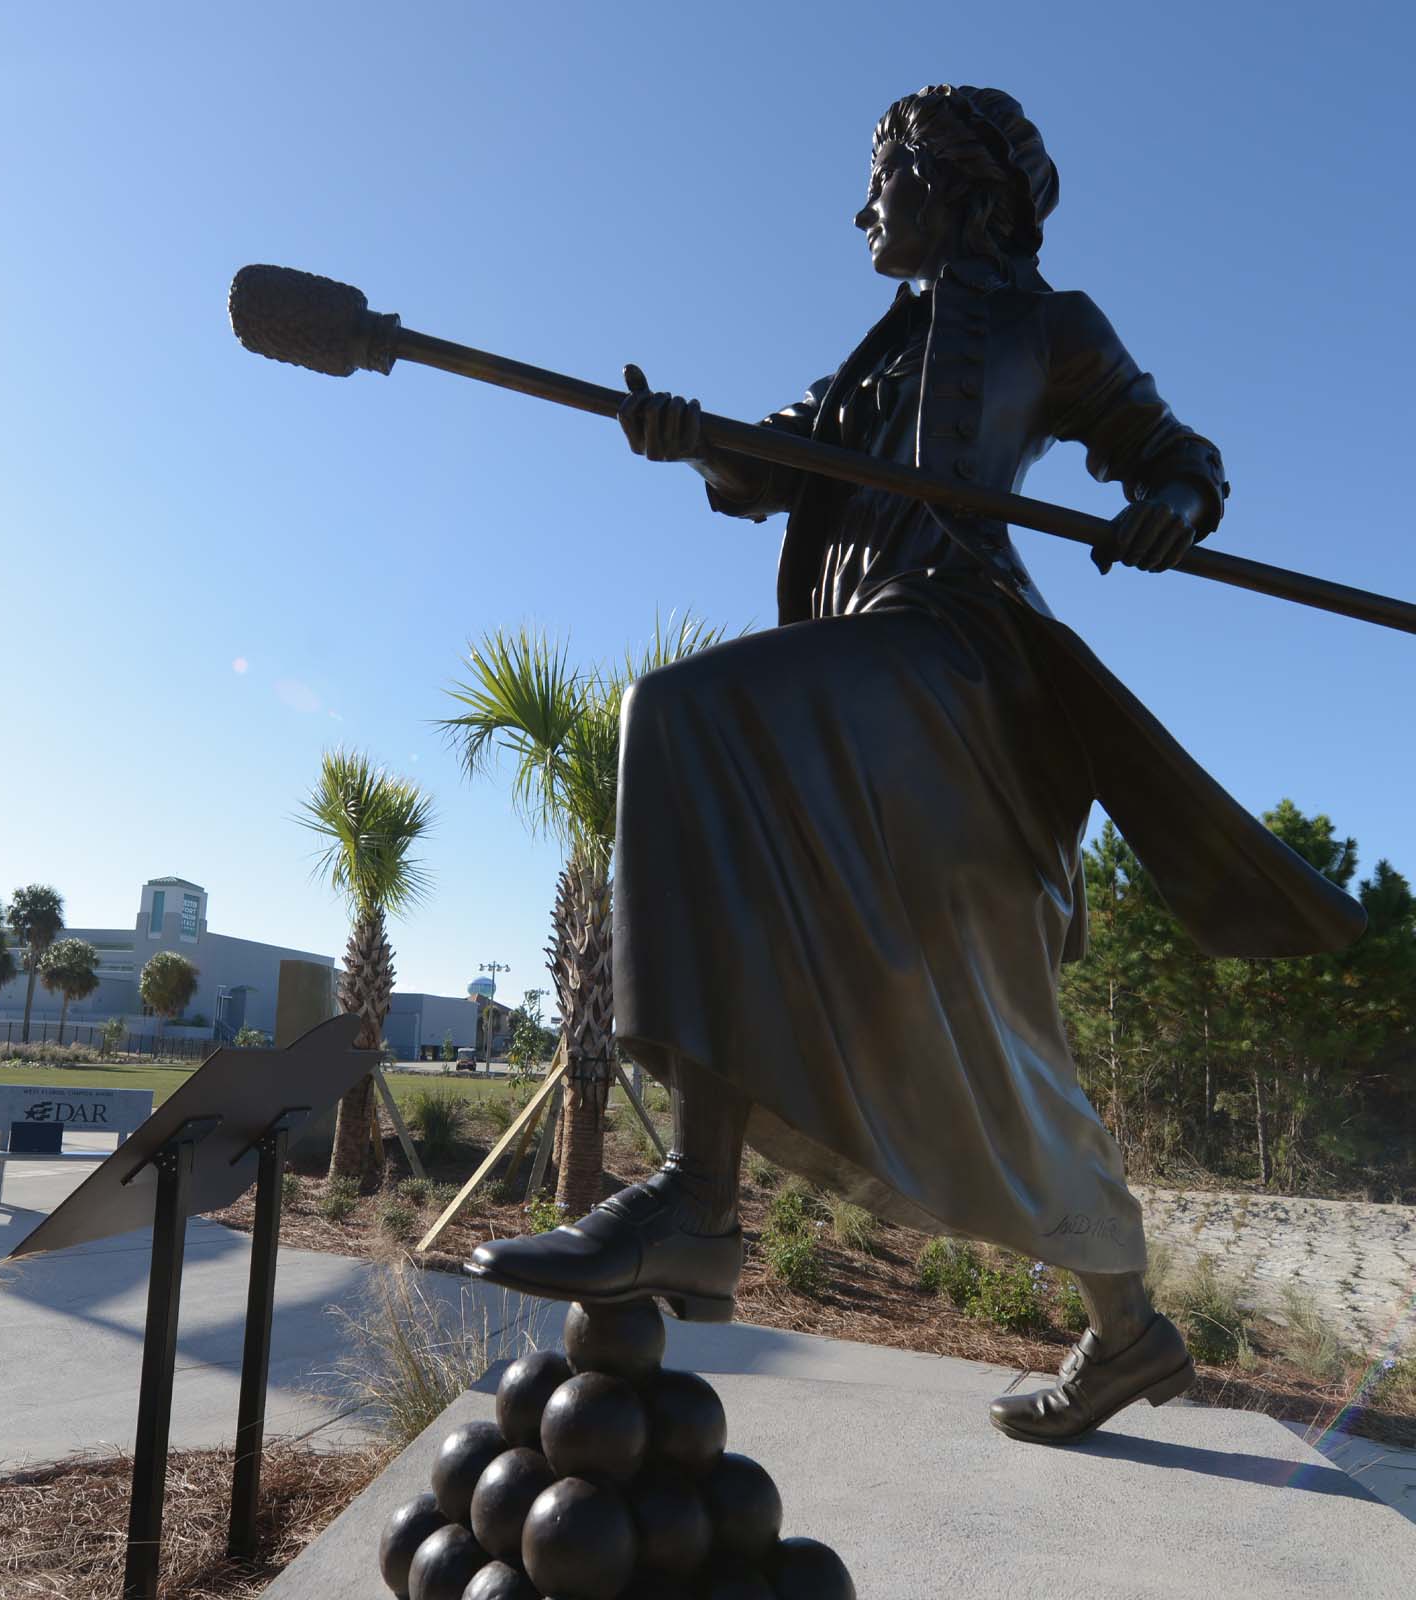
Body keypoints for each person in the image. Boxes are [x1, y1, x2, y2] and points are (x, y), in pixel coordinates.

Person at [464, 86, 1366, 1444]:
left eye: (882, 179)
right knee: (1010, 1050)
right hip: (874, 680)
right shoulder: (875, 356)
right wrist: (693, 436)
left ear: (961, 189)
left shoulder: (1048, 326)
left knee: (690, 718)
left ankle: (698, 1206)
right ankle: (1133, 1337)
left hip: (956, 660)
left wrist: (1169, 509)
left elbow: (1173, 455)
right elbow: (775, 459)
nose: (862, 208)